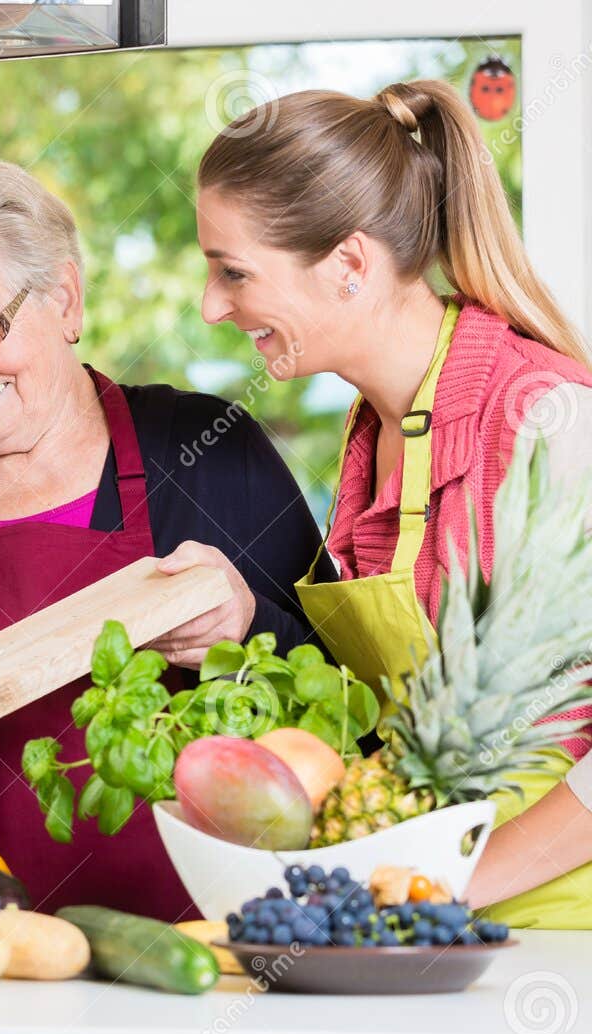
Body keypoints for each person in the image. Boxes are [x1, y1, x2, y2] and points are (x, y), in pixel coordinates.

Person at [0, 160, 323, 918]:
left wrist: (250, 625)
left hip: (204, 957)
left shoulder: (208, 452)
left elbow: (345, 710)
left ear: (64, 299)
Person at [196, 79, 592, 926]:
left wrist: (444, 891)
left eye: (234, 272)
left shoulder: (546, 421)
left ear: (348, 263)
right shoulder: (374, 430)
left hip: (565, 934)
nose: (212, 306)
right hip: (441, 920)